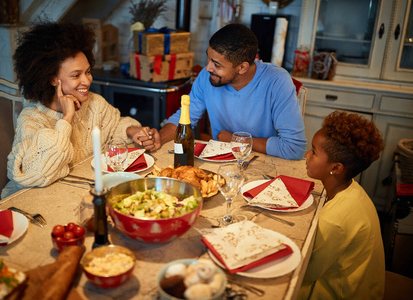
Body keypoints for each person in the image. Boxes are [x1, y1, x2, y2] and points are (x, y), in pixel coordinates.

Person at [1, 22, 161, 198]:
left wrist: (132, 130)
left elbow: (114, 126)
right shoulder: (32, 119)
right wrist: (67, 118)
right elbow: (39, 173)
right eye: (76, 75)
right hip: (35, 201)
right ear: (53, 79)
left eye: (88, 72)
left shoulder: (94, 103)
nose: (87, 81)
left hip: (79, 192)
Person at [159, 23, 306, 160]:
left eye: (216, 64)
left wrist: (235, 140)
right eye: (208, 58)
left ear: (242, 68)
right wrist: (158, 139)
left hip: (265, 166)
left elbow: (294, 147)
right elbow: (184, 117)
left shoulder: (277, 81)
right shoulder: (207, 76)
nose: (208, 67)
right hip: (221, 162)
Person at [299, 110, 385, 299]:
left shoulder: (334, 220)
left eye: (313, 152)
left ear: (336, 168)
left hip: (341, 292)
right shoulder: (352, 189)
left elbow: (305, 272)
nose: (306, 155)